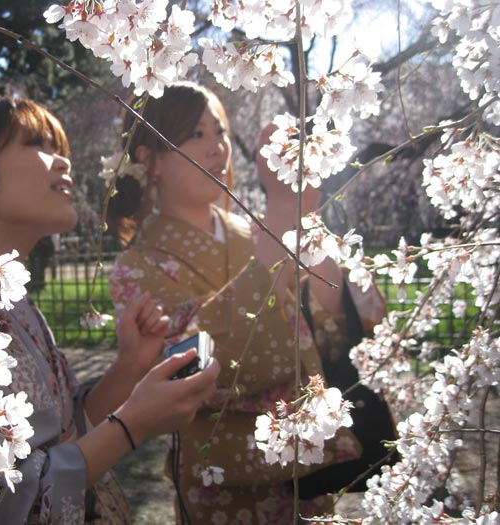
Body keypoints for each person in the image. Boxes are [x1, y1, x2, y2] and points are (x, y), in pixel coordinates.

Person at [0, 96, 220, 524]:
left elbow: (53, 434)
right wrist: (131, 427)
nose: (63, 162)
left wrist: (128, 368)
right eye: (37, 145)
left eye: (61, 149)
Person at [107, 82, 367, 524]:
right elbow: (191, 365)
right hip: (222, 488)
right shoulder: (137, 265)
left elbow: (325, 331)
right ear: (149, 159)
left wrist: (314, 235)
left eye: (220, 131)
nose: (218, 148)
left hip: (309, 468)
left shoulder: (254, 232)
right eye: (196, 134)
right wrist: (282, 219)